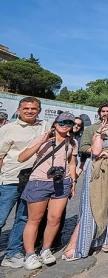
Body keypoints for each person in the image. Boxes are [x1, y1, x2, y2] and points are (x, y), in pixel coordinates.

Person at [64, 109, 108, 260]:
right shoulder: (101, 132)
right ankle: (75, 244)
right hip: (96, 172)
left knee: (106, 206)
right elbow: (96, 152)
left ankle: (99, 239)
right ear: (107, 119)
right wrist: (98, 134)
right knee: (91, 207)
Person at [18, 112, 78, 270]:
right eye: (62, 122)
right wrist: (42, 142)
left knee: (55, 218)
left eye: (69, 123)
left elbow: (72, 163)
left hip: (62, 182)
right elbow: (22, 158)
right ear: (55, 123)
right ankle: (30, 254)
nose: (65, 126)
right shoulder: (43, 138)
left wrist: (73, 181)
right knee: (34, 220)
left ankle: (46, 250)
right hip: (40, 182)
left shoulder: (72, 142)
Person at [0, 97, 51, 269]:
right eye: (26, 108)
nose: (30, 111)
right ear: (19, 109)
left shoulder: (44, 126)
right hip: (10, 179)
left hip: (32, 181)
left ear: (39, 110)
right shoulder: (7, 129)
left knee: (23, 218)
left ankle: (12, 253)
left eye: (34, 109)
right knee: (1, 218)